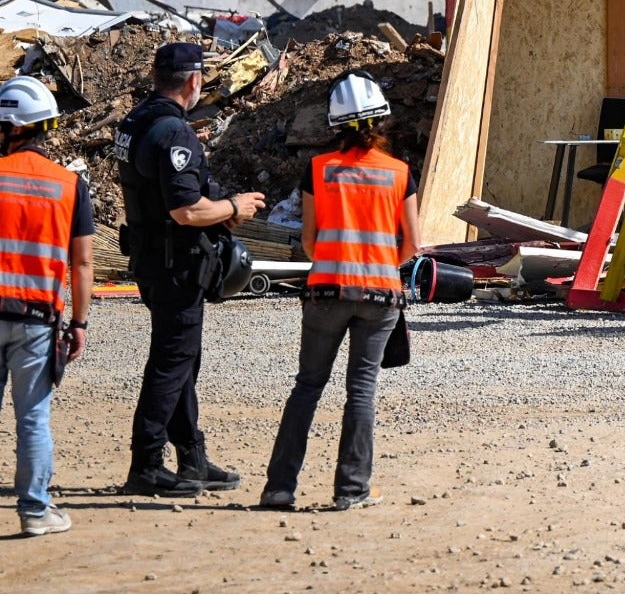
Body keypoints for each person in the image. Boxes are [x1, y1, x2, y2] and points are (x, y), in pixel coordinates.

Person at [261, 70, 419, 512]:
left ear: (334, 124)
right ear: (381, 120)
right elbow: (413, 243)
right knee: (361, 389)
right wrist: (380, 264)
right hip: (379, 296)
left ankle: (279, 489)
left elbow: (309, 240)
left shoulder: (318, 169)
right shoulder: (399, 173)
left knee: (308, 386)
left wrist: (336, 258)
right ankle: (351, 490)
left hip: (326, 293)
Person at [114, 42, 266, 497]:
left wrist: (218, 210)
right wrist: (233, 207)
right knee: (172, 360)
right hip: (175, 264)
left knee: (182, 357)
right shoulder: (173, 131)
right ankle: (146, 464)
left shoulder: (135, 121)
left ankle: (192, 458)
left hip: (152, 258)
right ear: (195, 81)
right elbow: (184, 210)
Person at [0, 76, 93, 536]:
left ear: (12, 127)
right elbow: (83, 262)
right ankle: (35, 511)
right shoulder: (70, 185)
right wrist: (79, 322)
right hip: (37, 322)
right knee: (33, 419)